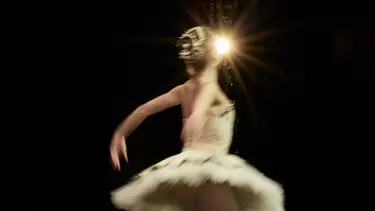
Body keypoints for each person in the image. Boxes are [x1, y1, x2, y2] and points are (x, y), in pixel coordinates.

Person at [110, 26, 284, 211]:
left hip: (189, 173)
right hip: (210, 171)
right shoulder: (210, 88)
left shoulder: (184, 90)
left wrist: (120, 135)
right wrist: (194, 124)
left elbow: (143, 110)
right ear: (215, 57)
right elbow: (200, 109)